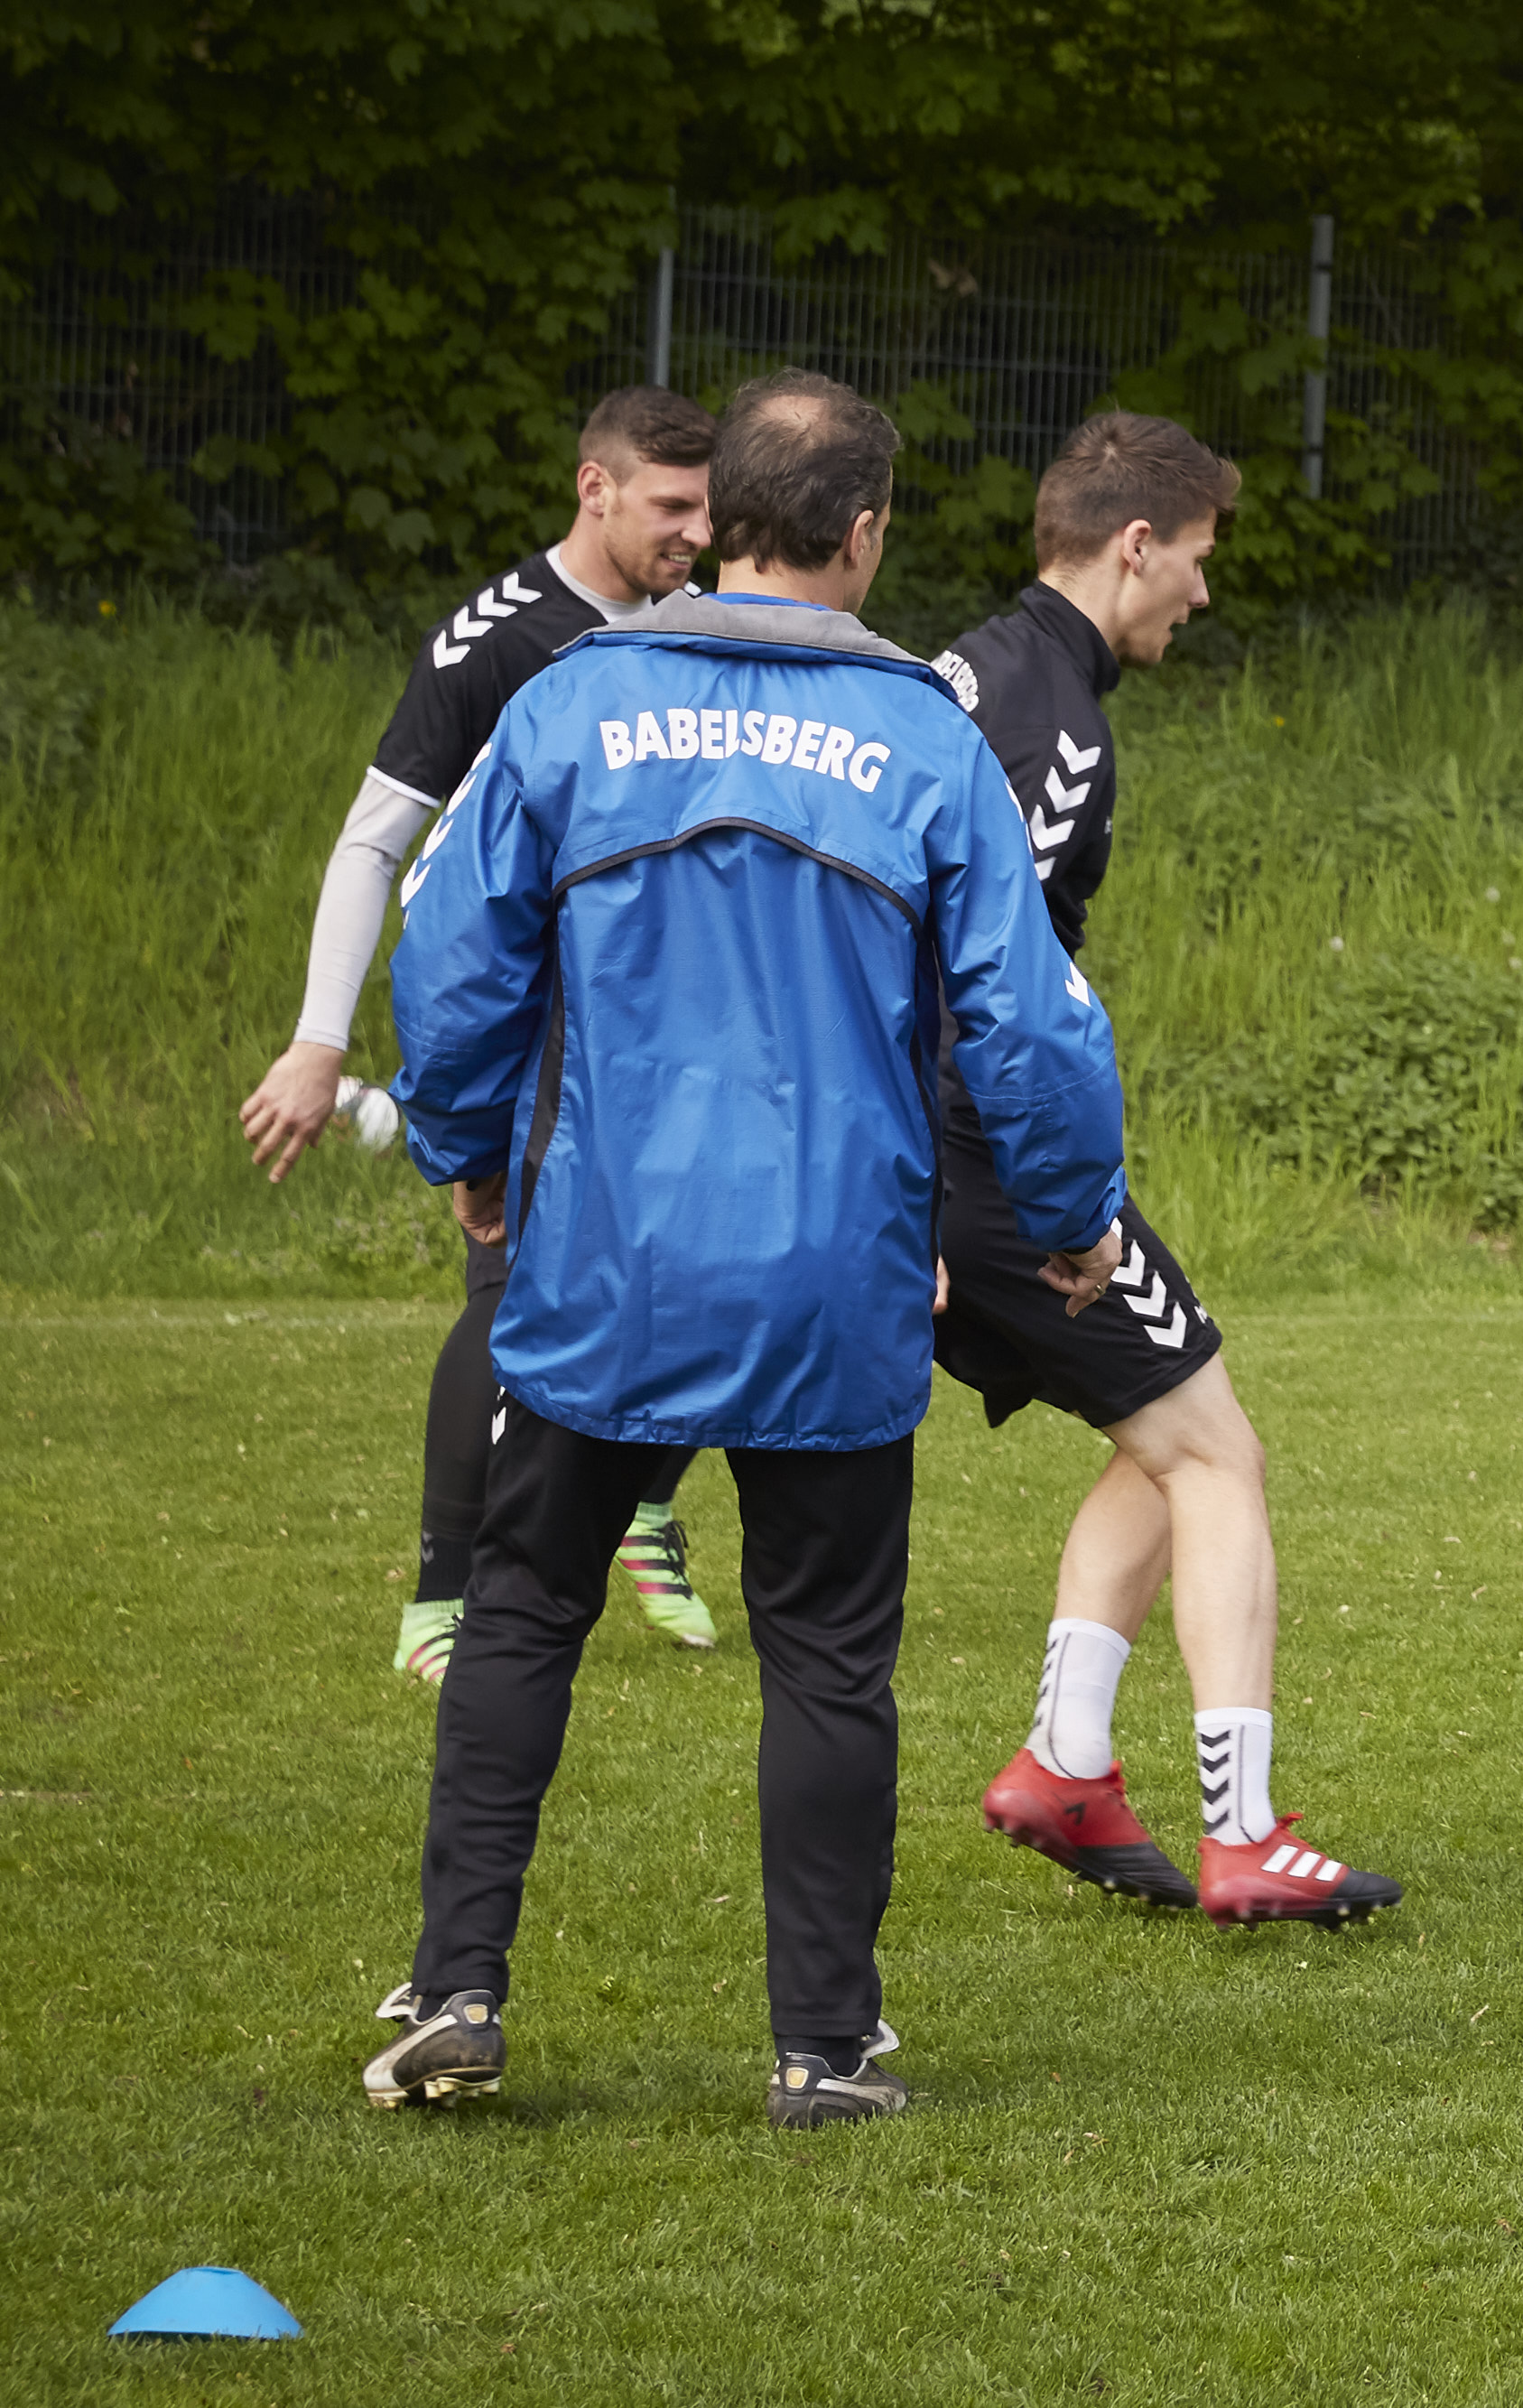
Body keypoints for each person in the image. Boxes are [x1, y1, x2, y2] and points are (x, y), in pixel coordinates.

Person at [359, 369, 1130, 2127]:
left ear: (715, 520)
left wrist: (470, 1153)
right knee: (829, 1656)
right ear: (863, 534)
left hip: (603, 1263)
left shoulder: (574, 705)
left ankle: (458, 1991)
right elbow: (1027, 1020)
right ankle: (821, 2047)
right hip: (831, 1277)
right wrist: (1072, 1214)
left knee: (525, 1612)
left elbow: (456, 960)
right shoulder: (927, 738)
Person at [945, 413, 1401, 1929]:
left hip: (909, 1148)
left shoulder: (961, 670)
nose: (1199, 598)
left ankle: (1071, 1762)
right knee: (1216, 1455)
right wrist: (1048, 1207)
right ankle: (1246, 1830)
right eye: (1195, 564)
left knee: (1169, 1426)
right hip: (981, 1154)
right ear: (1133, 546)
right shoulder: (1056, 730)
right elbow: (984, 987)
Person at [235, 387, 728, 1679]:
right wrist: (317, 1038)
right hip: (524, 1023)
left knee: (712, 1264)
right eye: (673, 507)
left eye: (709, 507)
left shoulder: (700, 624)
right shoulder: (497, 642)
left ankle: (645, 1506)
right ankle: (440, 1597)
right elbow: (374, 837)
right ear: (594, 488)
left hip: (655, 1017)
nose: (697, 530)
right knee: (509, 1296)